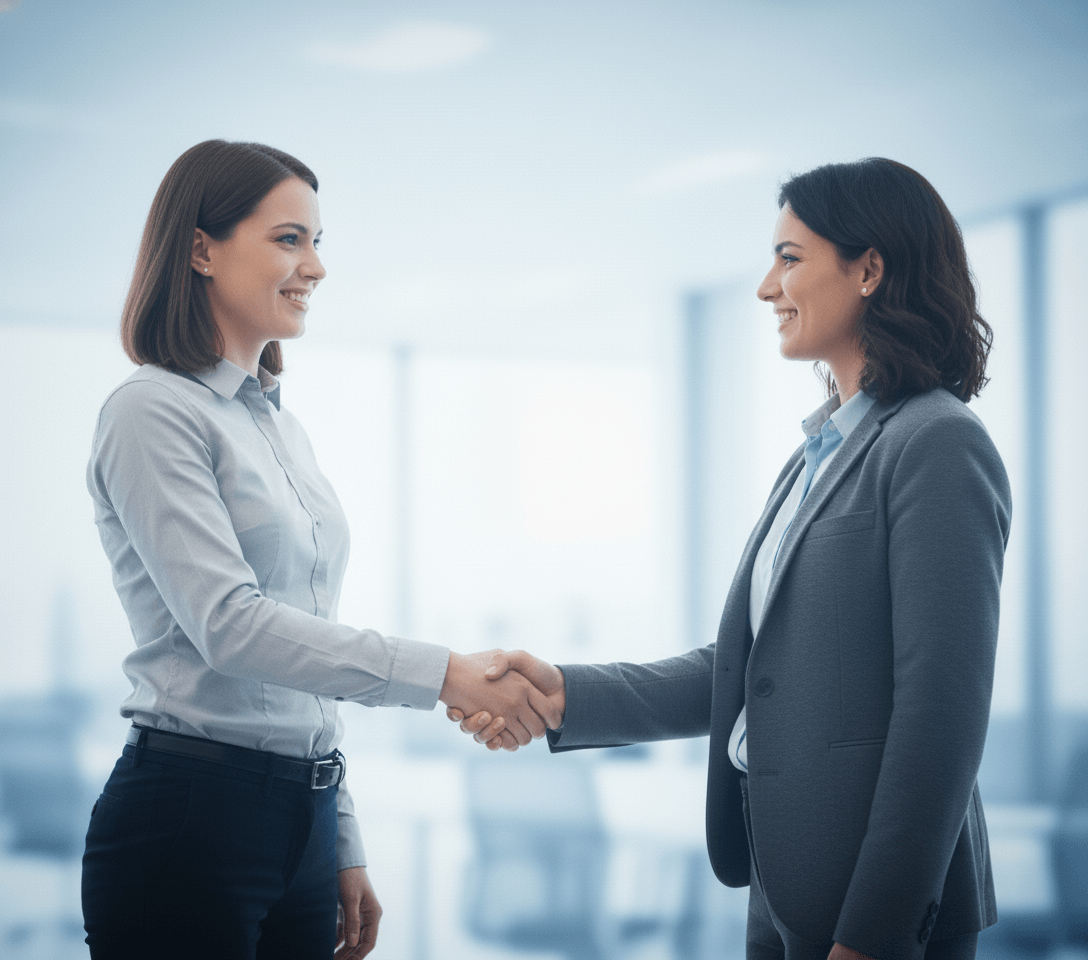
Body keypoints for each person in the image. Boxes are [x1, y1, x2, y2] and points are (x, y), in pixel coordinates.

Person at [450, 158, 1011, 960]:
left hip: (872, 913)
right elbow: (748, 668)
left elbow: (940, 720)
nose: (764, 287)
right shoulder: (816, 454)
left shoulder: (937, 443)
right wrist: (564, 692)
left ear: (869, 271)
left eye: (789, 258)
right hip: (785, 889)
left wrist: (875, 934)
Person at [81, 139, 561, 960]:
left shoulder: (280, 427)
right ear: (200, 248)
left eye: (317, 242)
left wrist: (338, 834)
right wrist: (443, 671)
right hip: (189, 818)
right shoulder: (151, 413)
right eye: (288, 239)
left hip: (300, 821)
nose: (316, 267)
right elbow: (232, 627)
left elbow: (302, 644)